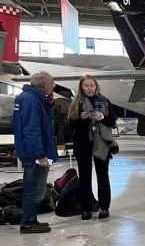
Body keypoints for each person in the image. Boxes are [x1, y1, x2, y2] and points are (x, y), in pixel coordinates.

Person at [12, 71, 57, 234]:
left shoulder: (28, 98)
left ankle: (32, 219)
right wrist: (40, 154)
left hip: (32, 151)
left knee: (35, 188)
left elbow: (39, 121)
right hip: (35, 154)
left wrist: (48, 104)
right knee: (34, 189)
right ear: (45, 85)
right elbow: (32, 130)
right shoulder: (31, 100)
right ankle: (27, 223)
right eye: (52, 84)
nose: (53, 87)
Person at [68, 75, 117, 220]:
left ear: (96, 86)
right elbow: (72, 125)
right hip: (83, 142)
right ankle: (86, 208)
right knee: (84, 176)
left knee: (103, 175)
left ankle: (104, 207)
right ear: (81, 87)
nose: (89, 88)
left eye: (91, 85)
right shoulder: (76, 103)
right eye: (86, 86)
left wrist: (102, 117)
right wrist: (82, 119)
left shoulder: (105, 101)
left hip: (101, 142)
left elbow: (112, 122)